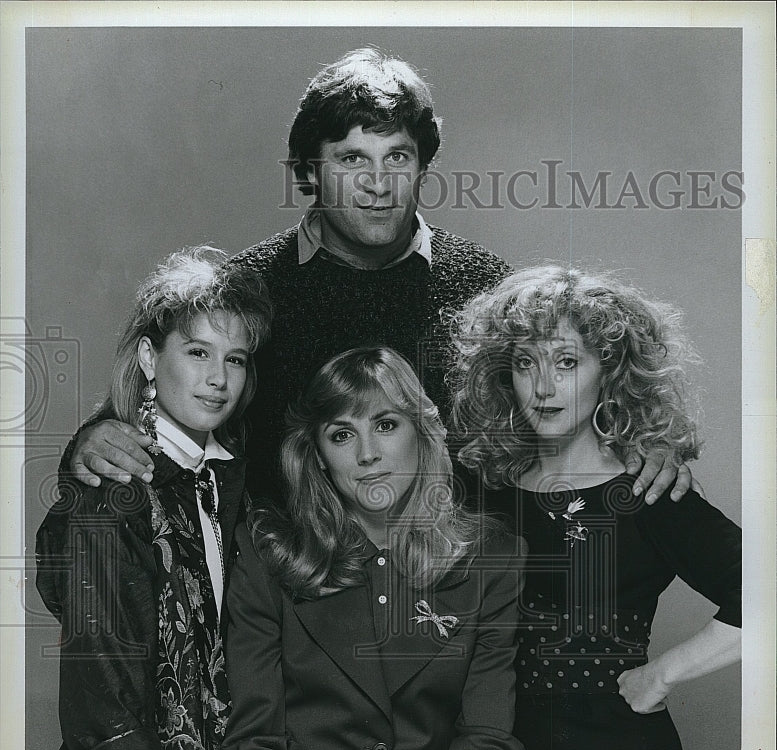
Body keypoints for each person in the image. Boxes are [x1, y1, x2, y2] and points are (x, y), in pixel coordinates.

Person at [64, 47, 689, 506]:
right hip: (287, 606)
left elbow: (569, 394)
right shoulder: (244, 289)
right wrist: (94, 442)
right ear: (309, 172)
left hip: (448, 601)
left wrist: (645, 446)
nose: (377, 182)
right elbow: (154, 401)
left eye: (398, 157)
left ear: (421, 168)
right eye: (350, 159)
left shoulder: (485, 287)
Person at [217, 346, 565, 750]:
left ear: (421, 433)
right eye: (341, 434)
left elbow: (488, 740)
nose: (368, 454)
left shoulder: (490, 558)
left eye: (386, 425)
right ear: (317, 453)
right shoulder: (269, 554)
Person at [448, 266, 742, 750]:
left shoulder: (648, 490)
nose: (543, 386)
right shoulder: (479, 490)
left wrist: (662, 674)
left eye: (566, 362)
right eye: (524, 364)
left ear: (609, 372)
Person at [35, 247, 272, 750]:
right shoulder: (113, 492)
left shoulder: (225, 484)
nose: (216, 378)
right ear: (148, 355)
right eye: (196, 352)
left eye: (234, 359)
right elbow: (98, 684)